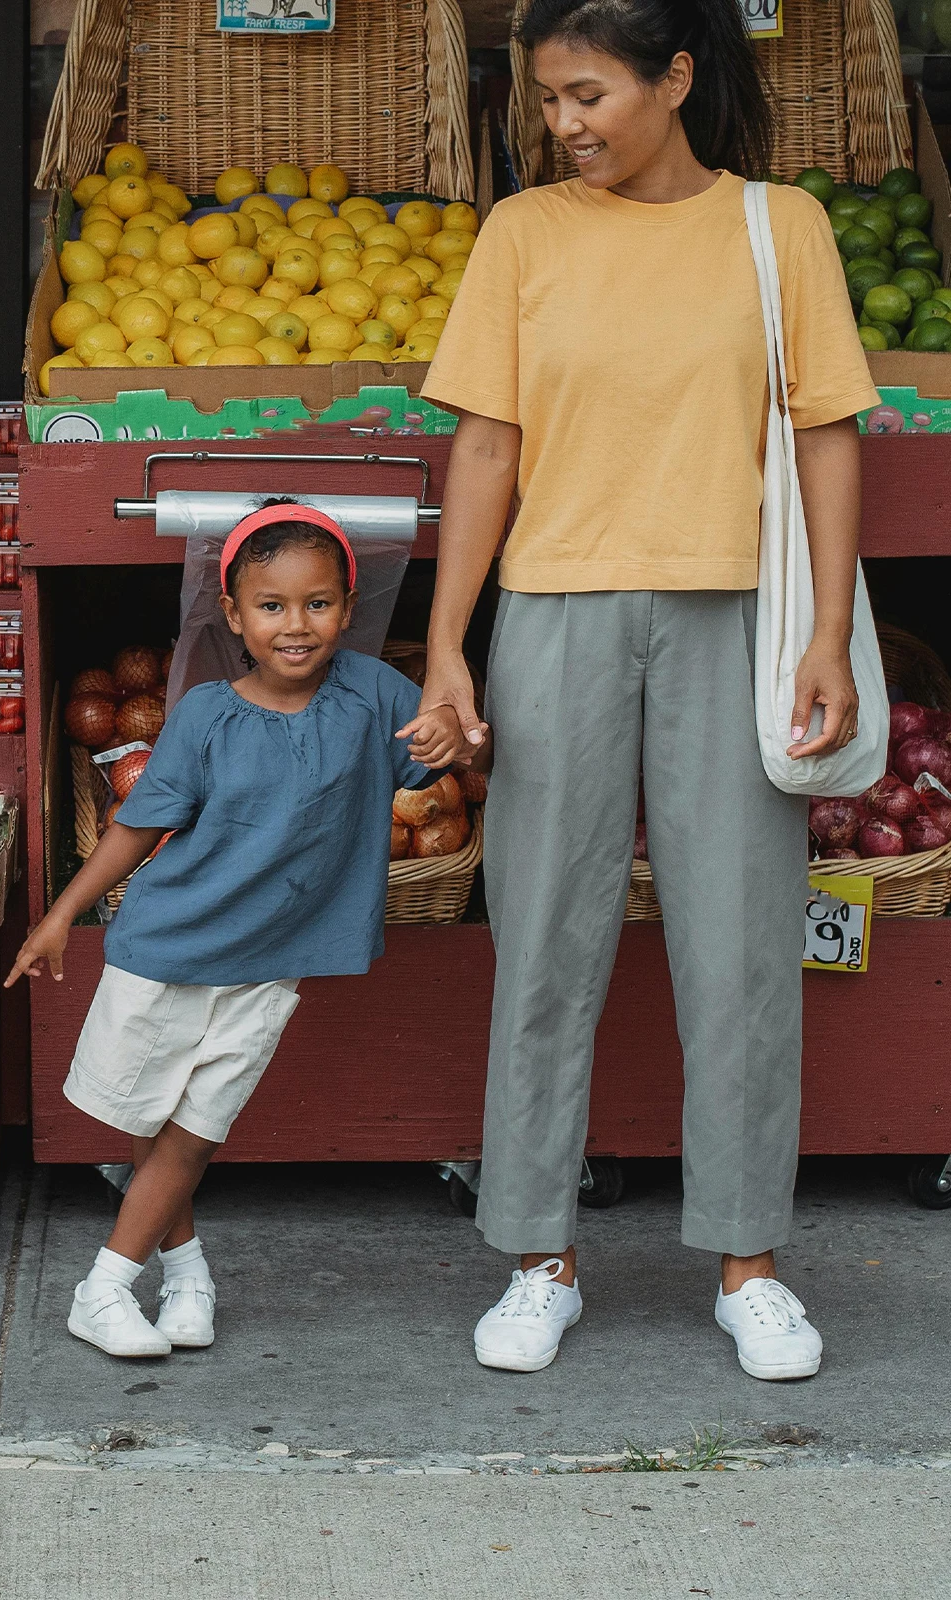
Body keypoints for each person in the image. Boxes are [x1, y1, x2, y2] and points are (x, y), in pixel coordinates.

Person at [409, 0, 880, 1381]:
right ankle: (537, 1256)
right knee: (545, 938)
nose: (564, 125)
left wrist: (831, 637)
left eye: (589, 93)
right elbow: (488, 449)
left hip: (739, 615)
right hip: (553, 612)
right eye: (549, 98)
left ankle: (749, 1264)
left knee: (739, 949)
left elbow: (827, 439)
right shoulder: (522, 236)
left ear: (674, 80)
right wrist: (449, 640)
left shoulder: (778, 226)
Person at [7, 502, 475, 1358]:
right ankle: (187, 1279)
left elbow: (448, 754)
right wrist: (62, 914)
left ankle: (101, 1289)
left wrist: (459, 731)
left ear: (347, 605)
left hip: (270, 967)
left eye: (319, 603)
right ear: (233, 614)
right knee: (154, 1120)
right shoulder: (204, 715)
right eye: (271, 606)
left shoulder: (375, 693)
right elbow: (137, 825)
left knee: (194, 1134)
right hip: (169, 949)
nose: (296, 625)